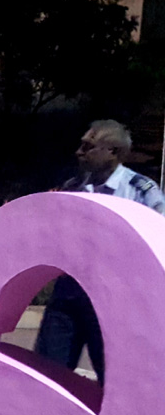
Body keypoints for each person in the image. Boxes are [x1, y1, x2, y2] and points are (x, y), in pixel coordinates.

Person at [34, 120, 165, 385]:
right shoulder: (72, 187)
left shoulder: (141, 192)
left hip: (115, 300)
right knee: (46, 374)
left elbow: (156, 245)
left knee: (117, 380)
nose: (79, 152)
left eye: (88, 147)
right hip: (69, 293)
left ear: (113, 152)